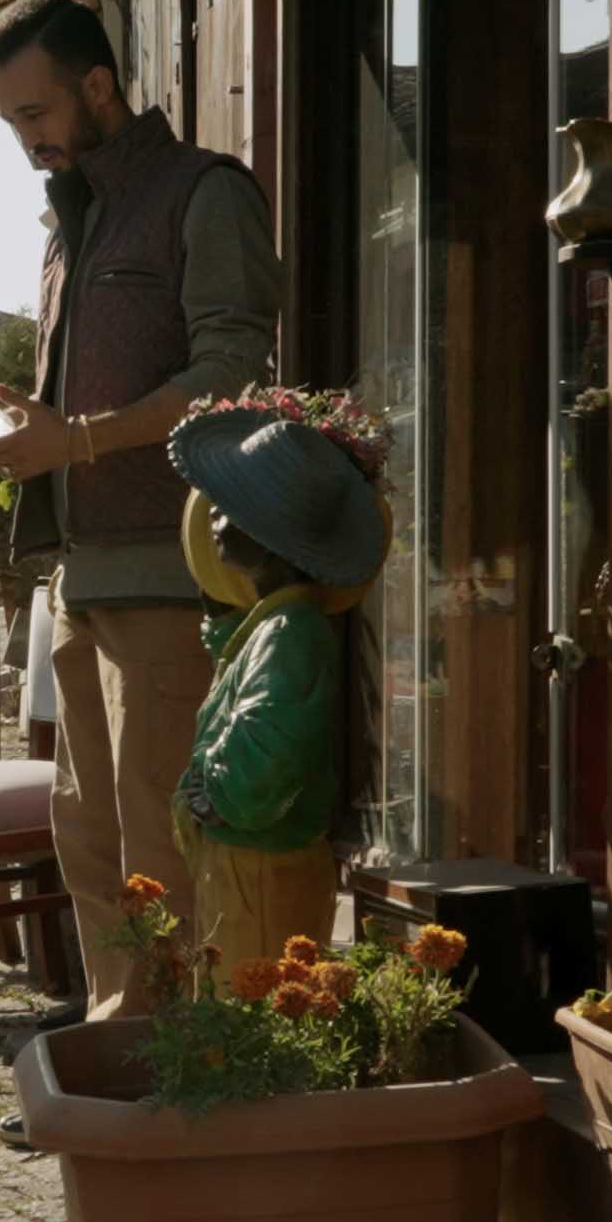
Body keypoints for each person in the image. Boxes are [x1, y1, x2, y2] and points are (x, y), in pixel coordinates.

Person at [0, 0, 279, 1145]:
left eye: (37, 111)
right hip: (79, 571)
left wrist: (71, 439)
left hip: (173, 573)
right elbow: (83, 406)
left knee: (158, 840)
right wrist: (6, 431)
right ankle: (126, 1048)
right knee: (90, 837)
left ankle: (175, 1079)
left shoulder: (206, 193)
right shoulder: (71, 219)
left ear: (100, 84)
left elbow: (228, 384)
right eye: (10, 120)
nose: (27, 138)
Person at [166, 401, 388, 969]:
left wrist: (209, 795)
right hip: (250, 857)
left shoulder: (290, 633)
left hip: (258, 864)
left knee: (251, 1004)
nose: (212, 518)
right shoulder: (281, 625)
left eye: (228, 509)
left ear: (265, 538)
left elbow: (270, 747)